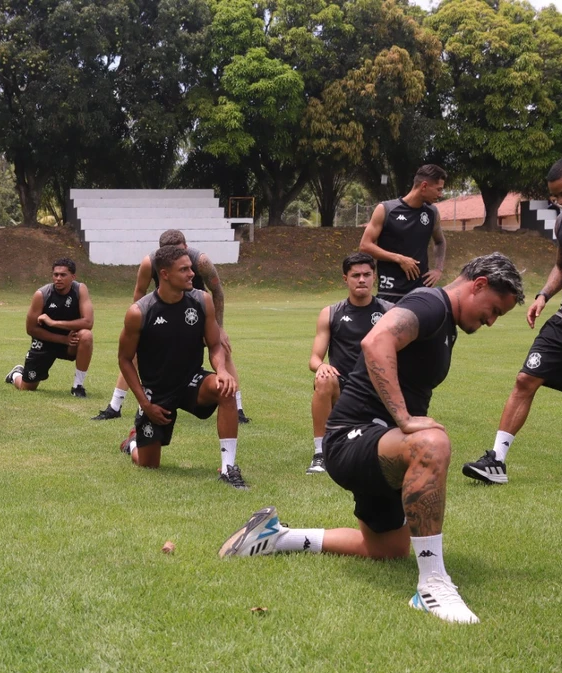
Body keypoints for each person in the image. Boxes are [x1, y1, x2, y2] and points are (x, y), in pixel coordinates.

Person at [219, 253, 525, 625]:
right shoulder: (430, 304)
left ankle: (275, 537)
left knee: (387, 548)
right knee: (431, 443)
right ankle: (433, 585)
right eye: (493, 309)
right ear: (478, 285)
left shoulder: (445, 323)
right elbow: (376, 342)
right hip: (352, 438)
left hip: (378, 444)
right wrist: (404, 418)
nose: (491, 321)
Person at [463, 157, 562, 485]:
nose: (561, 202)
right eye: (555, 197)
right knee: (525, 380)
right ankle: (496, 460)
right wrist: (543, 295)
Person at [116, 245, 246, 487]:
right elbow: (124, 359)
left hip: (191, 381)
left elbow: (215, 344)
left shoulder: (201, 301)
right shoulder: (139, 312)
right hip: (158, 392)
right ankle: (132, 443)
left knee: (226, 388)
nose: (192, 274)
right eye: (184, 269)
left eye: (191, 268)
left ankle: (229, 469)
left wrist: (222, 370)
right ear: (164, 274)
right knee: (149, 464)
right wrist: (145, 403)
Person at [93, 229, 251, 423]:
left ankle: (238, 408)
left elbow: (217, 292)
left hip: (197, 313)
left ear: (186, 248)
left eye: (179, 252)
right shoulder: (149, 262)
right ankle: (114, 406)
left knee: (221, 349)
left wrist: (220, 328)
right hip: (166, 310)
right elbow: (139, 293)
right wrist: (142, 323)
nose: (176, 257)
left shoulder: (201, 261)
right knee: (133, 355)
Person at [305, 253, 393, 474]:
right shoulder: (331, 313)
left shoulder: (390, 312)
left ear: (375, 277)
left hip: (378, 388)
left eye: (366, 274)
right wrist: (321, 366)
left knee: (378, 452)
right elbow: (314, 358)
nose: (361, 279)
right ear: (346, 279)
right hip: (344, 387)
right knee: (324, 379)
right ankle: (321, 453)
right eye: (356, 275)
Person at [359, 164, 447, 303]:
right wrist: (399, 259)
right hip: (390, 291)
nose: (440, 195)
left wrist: (438, 269)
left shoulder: (432, 213)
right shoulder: (386, 209)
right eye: (438, 189)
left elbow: (440, 241)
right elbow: (365, 246)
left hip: (420, 292)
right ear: (424, 186)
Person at [5, 258, 94, 395]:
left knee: (86, 335)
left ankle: (78, 387)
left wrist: (53, 323)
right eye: (55, 274)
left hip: (70, 342)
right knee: (27, 387)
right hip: (45, 342)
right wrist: (62, 339)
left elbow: (88, 322)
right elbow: (31, 329)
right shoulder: (42, 294)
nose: (58, 278)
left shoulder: (80, 289)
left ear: (73, 277)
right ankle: (16, 374)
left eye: (63, 275)